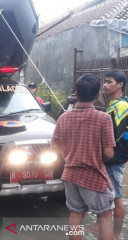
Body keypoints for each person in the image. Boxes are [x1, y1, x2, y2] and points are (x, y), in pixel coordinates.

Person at [51, 73, 115, 240]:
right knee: (105, 216)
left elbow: (53, 148)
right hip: (94, 175)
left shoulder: (63, 118)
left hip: (70, 175)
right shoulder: (104, 118)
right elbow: (108, 154)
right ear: (98, 94)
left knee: (75, 215)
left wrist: (70, 156)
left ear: (76, 93)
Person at [103, 70, 128, 240]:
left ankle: (117, 234)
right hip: (111, 157)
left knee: (117, 197)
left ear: (120, 85)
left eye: (109, 82)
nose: (105, 85)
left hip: (115, 157)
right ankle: (102, 228)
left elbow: (115, 135)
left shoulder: (121, 106)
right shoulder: (114, 104)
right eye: (104, 81)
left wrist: (106, 154)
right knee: (107, 195)